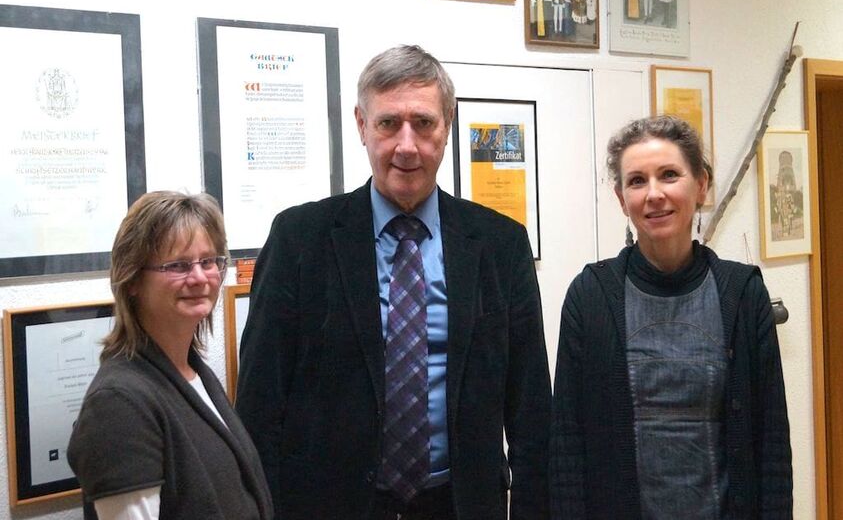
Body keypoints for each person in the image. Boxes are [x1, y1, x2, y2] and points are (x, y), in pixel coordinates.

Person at [235, 44, 551, 520]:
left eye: (423, 123)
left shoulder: (500, 244)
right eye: (388, 123)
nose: (407, 145)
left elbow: (530, 410)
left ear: (447, 125)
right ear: (362, 125)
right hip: (332, 507)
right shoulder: (299, 239)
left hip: (462, 506)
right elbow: (260, 405)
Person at [549, 115, 792, 519]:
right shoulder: (590, 296)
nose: (654, 194)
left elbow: (772, 445)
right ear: (621, 198)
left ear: (701, 185)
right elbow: (567, 448)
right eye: (637, 181)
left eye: (669, 175)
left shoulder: (743, 294)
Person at [68, 191, 273, 520]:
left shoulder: (193, 373)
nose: (199, 277)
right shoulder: (119, 403)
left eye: (208, 261)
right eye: (178, 265)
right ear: (132, 279)